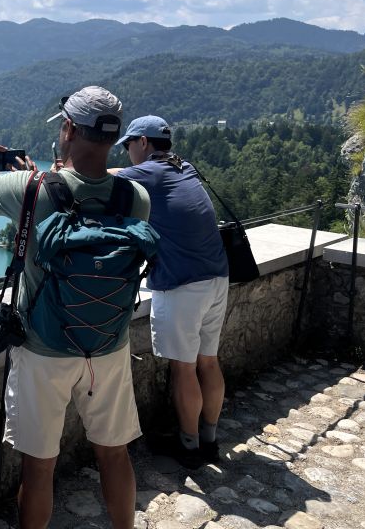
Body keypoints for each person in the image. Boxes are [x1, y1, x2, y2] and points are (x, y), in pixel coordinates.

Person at [0, 86, 150, 529]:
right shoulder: (136, 198)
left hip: (43, 350)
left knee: (39, 467)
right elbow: (94, 197)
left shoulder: (33, 189)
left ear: (67, 129)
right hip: (108, 346)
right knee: (114, 455)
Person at [112, 115, 229, 468]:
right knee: (208, 361)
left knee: (183, 367)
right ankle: (209, 439)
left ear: (143, 143)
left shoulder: (147, 172)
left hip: (182, 283)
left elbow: (97, 180)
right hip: (217, 276)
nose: (127, 153)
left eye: (129, 145)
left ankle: (188, 446)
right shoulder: (183, 166)